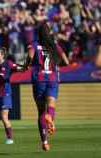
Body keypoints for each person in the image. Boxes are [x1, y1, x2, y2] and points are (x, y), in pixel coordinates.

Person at [25, 22, 69, 151]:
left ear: (38, 33)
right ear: (49, 32)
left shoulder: (34, 45)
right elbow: (66, 61)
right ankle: (50, 116)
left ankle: (44, 142)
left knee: (40, 111)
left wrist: (26, 65)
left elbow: (28, 60)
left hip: (38, 79)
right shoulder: (54, 45)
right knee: (51, 105)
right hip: (52, 78)